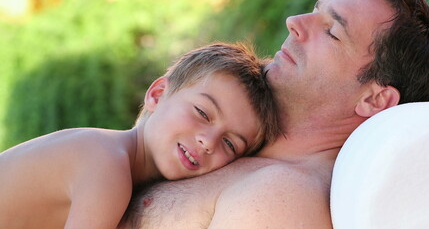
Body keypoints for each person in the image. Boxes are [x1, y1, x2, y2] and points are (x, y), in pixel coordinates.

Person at [118, 0, 429, 228]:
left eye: (331, 31)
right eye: (315, 9)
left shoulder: (281, 198)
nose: (294, 21)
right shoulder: (227, 137)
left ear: (373, 100)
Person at [0, 43, 280, 228]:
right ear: (157, 95)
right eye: (202, 113)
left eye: (230, 143)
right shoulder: (106, 165)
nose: (208, 141)